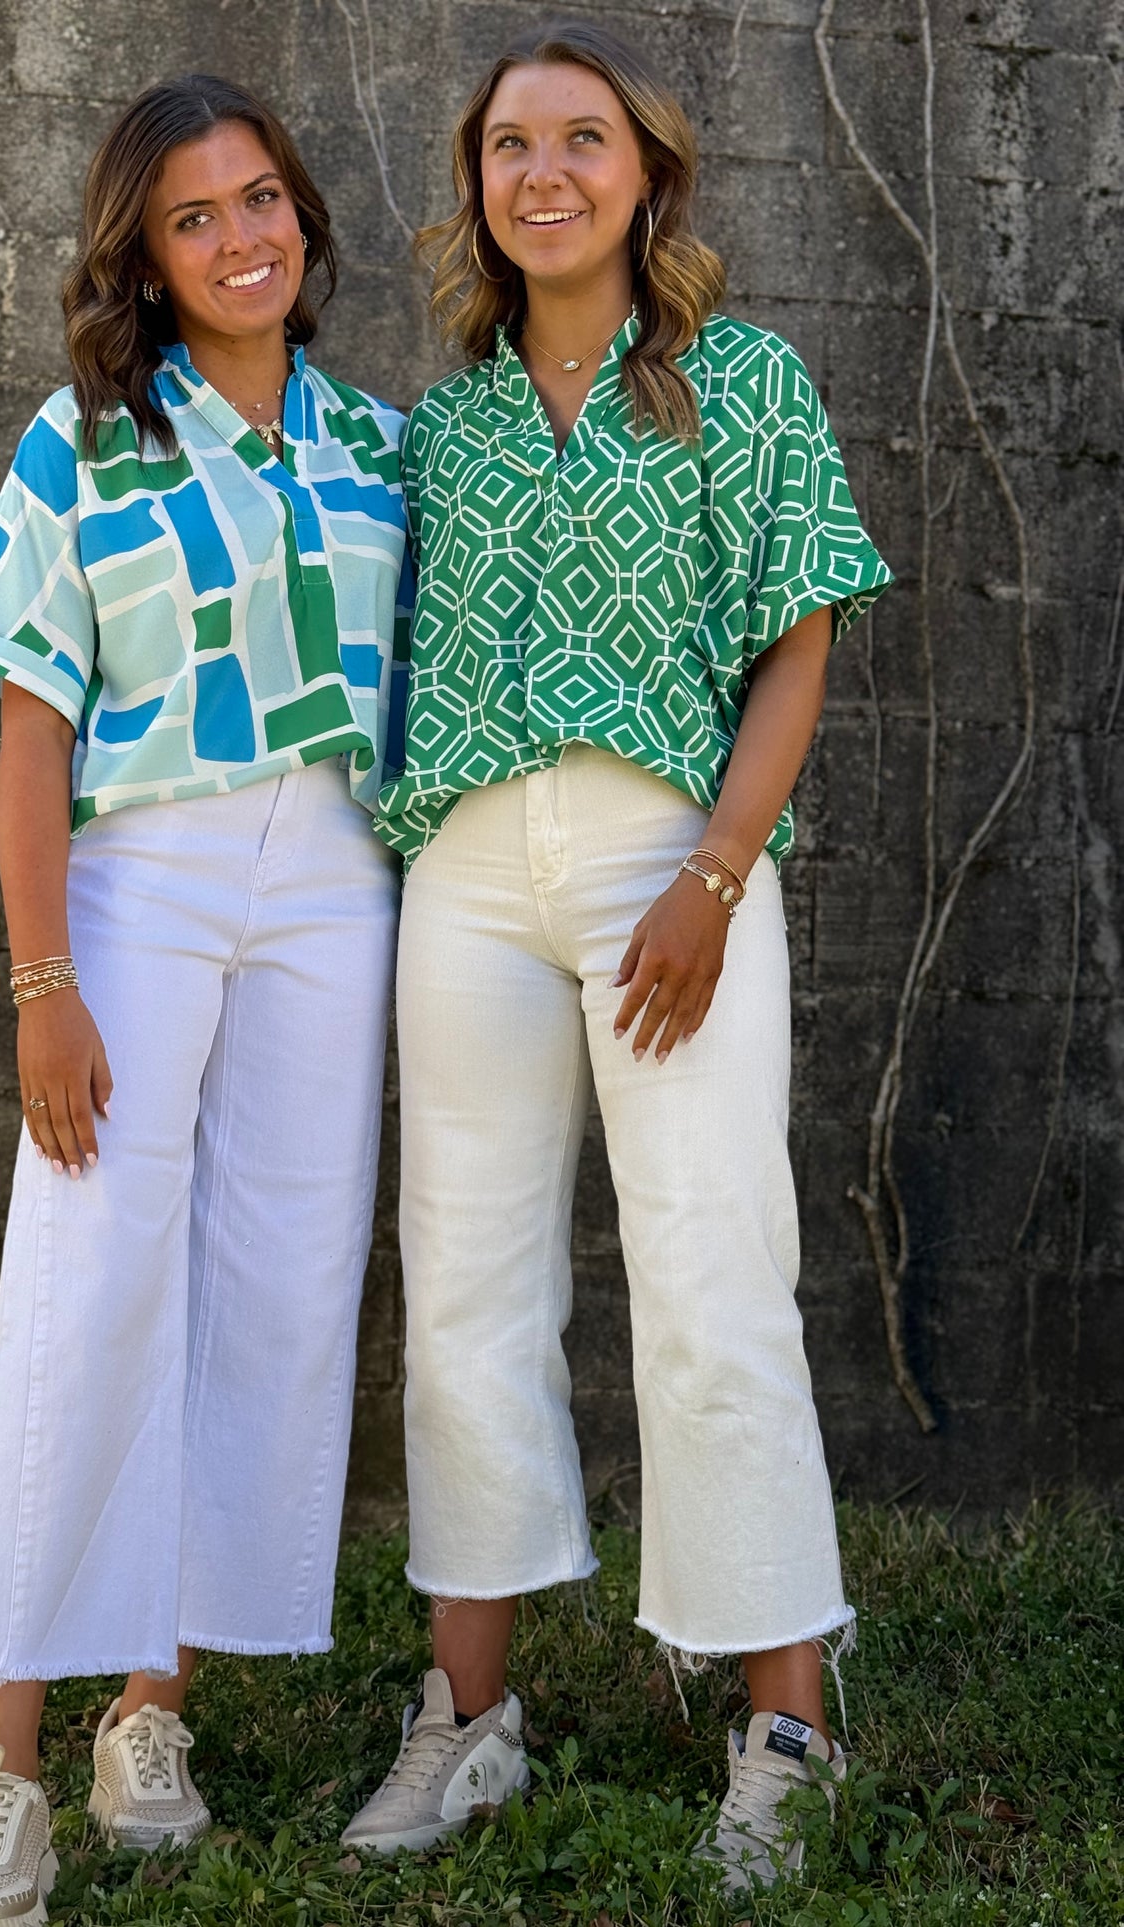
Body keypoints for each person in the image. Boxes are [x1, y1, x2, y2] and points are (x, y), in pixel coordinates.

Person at [342, 19, 892, 1895]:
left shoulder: (741, 385)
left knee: (715, 1281)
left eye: (582, 141)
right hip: (472, 880)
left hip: (676, 864)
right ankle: (466, 1722)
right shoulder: (448, 425)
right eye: (510, 147)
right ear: (478, 189)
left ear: (645, 176)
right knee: (468, 1292)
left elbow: (797, 641)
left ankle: (786, 1725)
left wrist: (714, 876)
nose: (544, 174)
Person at [0, 74, 409, 1927]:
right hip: (142, 875)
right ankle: (1, 1771)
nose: (238, 238)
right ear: (141, 249)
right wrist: (43, 981)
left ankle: (152, 1711)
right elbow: (30, 729)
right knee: (85, 1280)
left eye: (260, 198)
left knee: (267, 1279)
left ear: (304, 216)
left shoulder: (376, 446)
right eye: (192, 216)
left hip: (335, 881)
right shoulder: (83, 442)